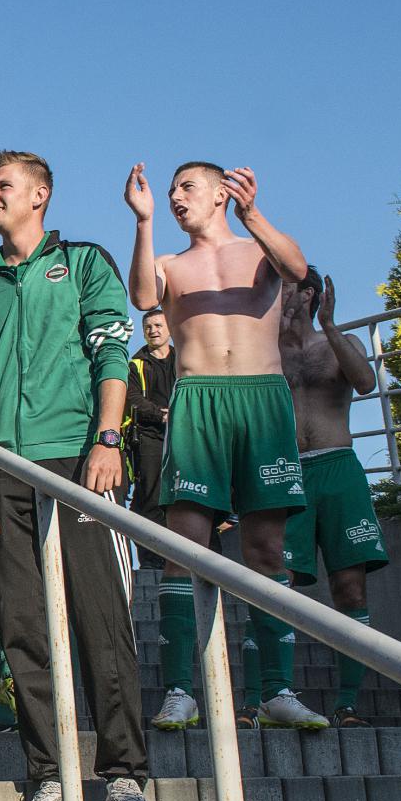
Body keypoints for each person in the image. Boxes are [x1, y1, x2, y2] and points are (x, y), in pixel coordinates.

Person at [0, 150, 163, 801]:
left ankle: (123, 781)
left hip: (78, 461)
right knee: (23, 629)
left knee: (102, 622)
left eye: (2, 185)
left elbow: (110, 353)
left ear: (39, 196)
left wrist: (107, 439)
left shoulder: (85, 263)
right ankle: (47, 781)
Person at [125, 161, 320, 731]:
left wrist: (252, 213)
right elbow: (142, 296)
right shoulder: (170, 262)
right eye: (170, 191)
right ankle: (181, 690)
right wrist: (143, 220)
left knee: (266, 549)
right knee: (184, 548)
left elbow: (297, 268)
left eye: (186, 187)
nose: (175, 196)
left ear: (218, 194)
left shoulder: (258, 251)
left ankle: (276, 690)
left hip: (262, 399)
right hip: (198, 399)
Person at [280, 273, 386, 727]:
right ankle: (266, 695)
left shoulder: (338, 342)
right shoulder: (267, 350)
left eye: (285, 287)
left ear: (308, 294)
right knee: (274, 585)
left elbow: (365, 382)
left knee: (350, 587)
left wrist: (330, 324)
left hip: (338, 467)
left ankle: (347, 703)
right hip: (286, 472)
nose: (276, 295)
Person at [126, 309, 177, 568]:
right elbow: (131, 398)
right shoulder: (135, 364)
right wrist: (160, 415)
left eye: (158, 325)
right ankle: (152, 561)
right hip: (149, 438)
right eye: (148, 327)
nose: (153, 330)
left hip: (184, 435)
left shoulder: (183, 358)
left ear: (170, 328)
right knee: (150, 496)